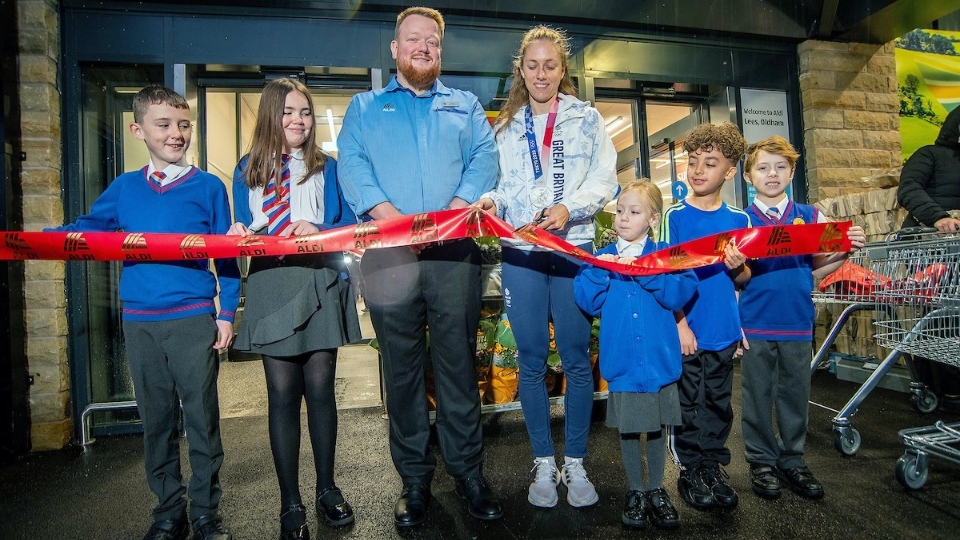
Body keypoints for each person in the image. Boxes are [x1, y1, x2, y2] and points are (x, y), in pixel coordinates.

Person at [336, 6, 502, 527]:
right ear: (395, 49)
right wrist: (388, 218)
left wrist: (457, 210)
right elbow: (353, 162)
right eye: (413, 39)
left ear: (440, 50)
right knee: (403, 372)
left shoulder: (466, 105)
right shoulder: (365, 106)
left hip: (454, 253)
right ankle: (413, 482)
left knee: (456, 366)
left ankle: (468, 473)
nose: (423, 47)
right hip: (390, 256)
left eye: (432, 40)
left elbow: (484, 157)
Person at [49, 86, 239, 540]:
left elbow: (226, 258)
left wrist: (226, 313)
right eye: (164, 124)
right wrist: (39, 239)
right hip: (140, 321)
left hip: (193, 317)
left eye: (184, 124)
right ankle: (168, 511)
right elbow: (85, 232)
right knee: (156, 420)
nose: (176, 134)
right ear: (138, 130)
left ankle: (207, 512)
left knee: (202, 418)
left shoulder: (210, 188)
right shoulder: (123, 189)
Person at [474, 24, 617, 509]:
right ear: (521, 69)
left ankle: (574, 461)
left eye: (550, 65)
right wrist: (488, 202)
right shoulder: (505, 127)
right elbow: (493, 182)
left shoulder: (587, 119)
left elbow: (604, 179)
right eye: (532, 65)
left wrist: (570, 209)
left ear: (562, 70)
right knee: (531, 361)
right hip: (523, 255)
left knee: (577, 361)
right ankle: (542, 461)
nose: (541, 74)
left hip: (572, 250)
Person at [227, 78, 360, 540]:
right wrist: (239, 228)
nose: (298, 120)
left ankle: (327, 489)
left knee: (321, 391)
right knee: (281, 396)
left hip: (319, 278)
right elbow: (242, 225)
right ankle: (290, 501)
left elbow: (349, 224)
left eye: (305, 111)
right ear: (270, 115)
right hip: (270, 280)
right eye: (288, 112)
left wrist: (319, 226)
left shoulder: (330, 167)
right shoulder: (246, 168)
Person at [739, 136, 866, 500]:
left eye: (780, 167)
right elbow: (734, 276)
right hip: (755, 323)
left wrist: (846, 249)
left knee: (796, 393)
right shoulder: (741, 220)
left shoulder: (811, 217)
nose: (772, 174)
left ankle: (793, 459)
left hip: (797, 321)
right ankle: (761, 461)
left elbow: (816, 269)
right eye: (762, 168)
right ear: (749, 177)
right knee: (757, 395)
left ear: (792, 172)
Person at [574, 180, 698, 530]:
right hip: (624, 363)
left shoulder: (667, 256)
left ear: (653, 219)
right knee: (629, 429)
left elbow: (681, 292)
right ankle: (636, 490)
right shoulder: (600, 258)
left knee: (658, 426)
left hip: (660, 361)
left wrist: (647, 272)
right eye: (620, 211)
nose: (623, 218)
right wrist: (602, 270)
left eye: (634, 211)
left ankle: (658, 489)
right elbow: (586, 299)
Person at [660, 122, 750, 511]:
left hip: (724, 328)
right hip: (688, 329)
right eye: (693, 161)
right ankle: (689, 468)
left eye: (709, 163)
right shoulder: (673, 216)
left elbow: (745, 278)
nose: (698, 170)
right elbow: (666, 274)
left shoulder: (741, 220)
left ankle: (712, 465)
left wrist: (737, 266)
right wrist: (679, 324)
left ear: (729, 172)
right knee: (687, 403)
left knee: (718, 402)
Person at [897, 106, 960, 414]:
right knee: (943, 314)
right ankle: (947, 390)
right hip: (930, 246)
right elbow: (908, 189)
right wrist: (939, 217)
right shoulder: (930, 155)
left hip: (956, 248)